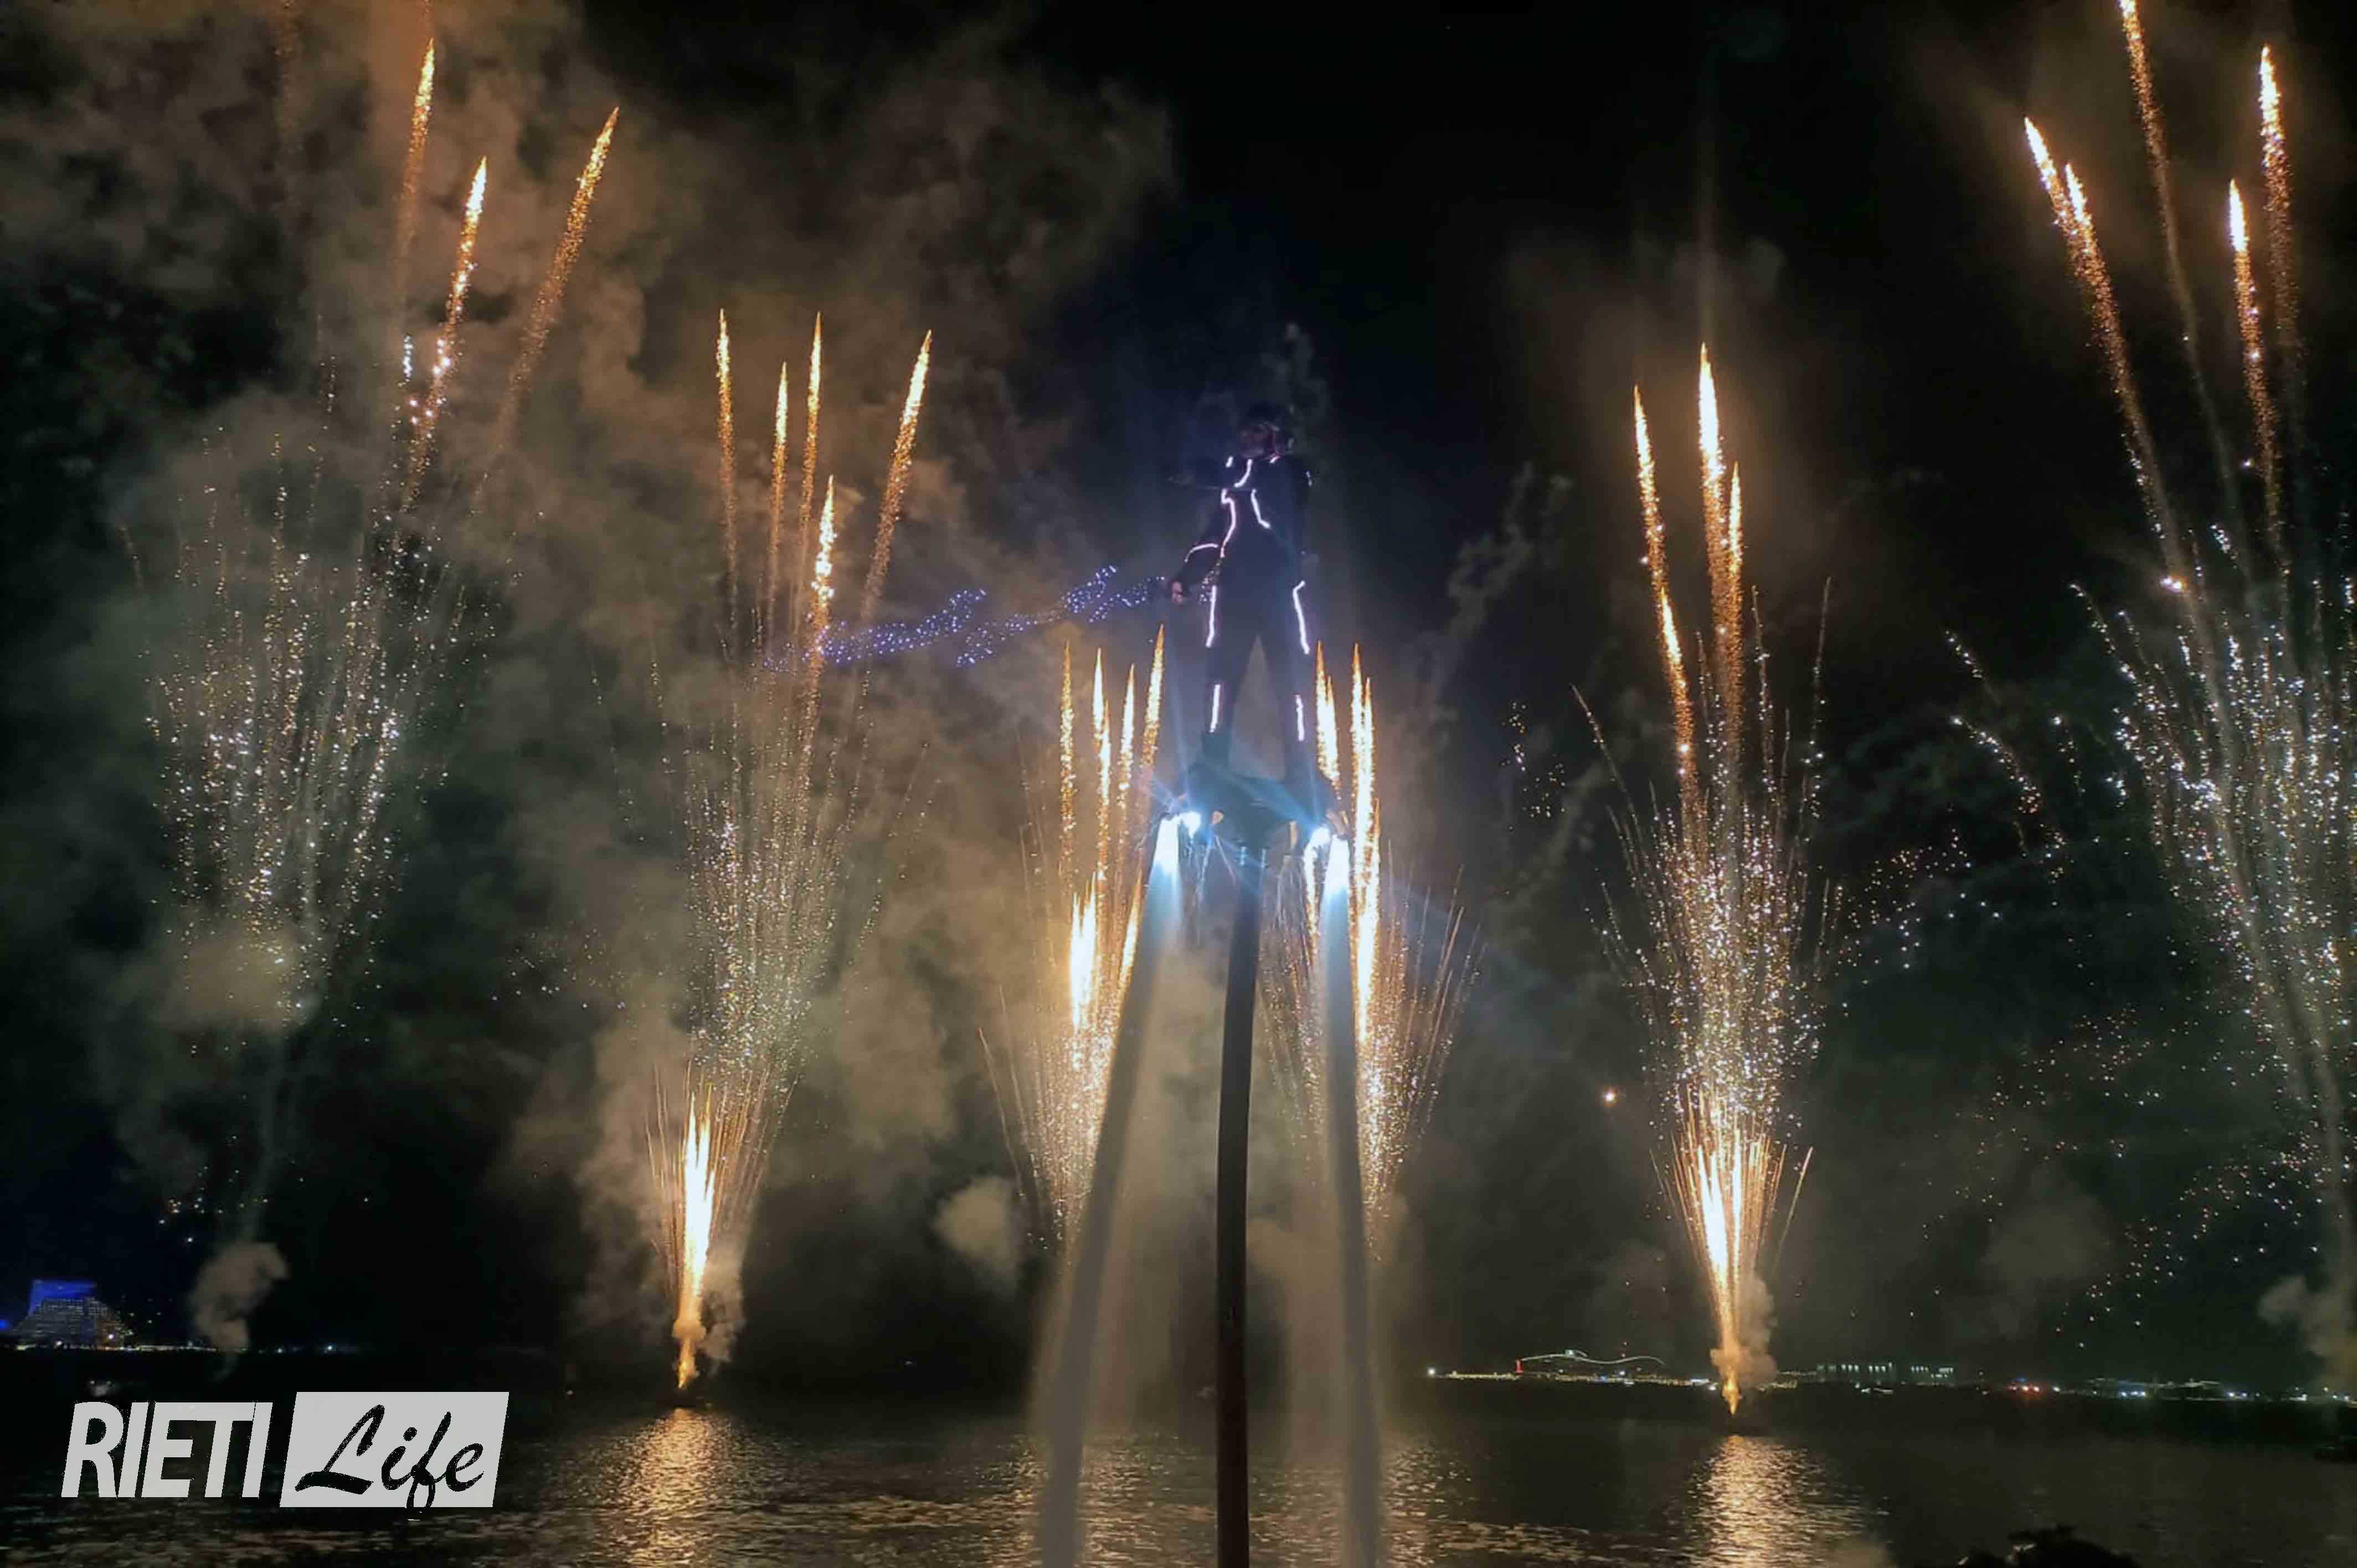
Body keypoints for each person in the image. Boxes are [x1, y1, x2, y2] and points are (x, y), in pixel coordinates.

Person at [1169, 403, 1322, 817]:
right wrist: (1188, 575)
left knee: (1291, 685)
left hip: (1280, 594)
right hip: (1235, 594)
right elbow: (1216, 535)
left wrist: (1204, 473)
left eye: (1258, 431)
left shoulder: (1290, 473)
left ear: (1277, 437)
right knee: (1220, 679)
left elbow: (1267, 500)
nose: (1247, 439)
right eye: (1245, 432)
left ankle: (1300, 766)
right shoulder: (1238, 481)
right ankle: (1213, 759)